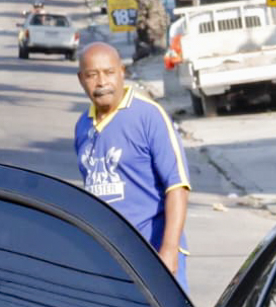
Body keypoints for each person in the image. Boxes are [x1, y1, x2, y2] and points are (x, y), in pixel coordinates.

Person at [73, 42, 191, 285]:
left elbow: (177, 186)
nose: (102, 82)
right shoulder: (82, 126)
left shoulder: (148, 116)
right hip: (109, 260)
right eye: (92, 75)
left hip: (152, 255)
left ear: (122, 72)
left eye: (109, 72)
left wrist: (168, 251)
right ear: (81, 79)